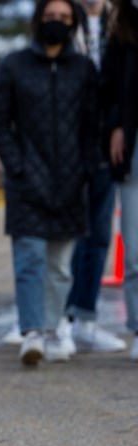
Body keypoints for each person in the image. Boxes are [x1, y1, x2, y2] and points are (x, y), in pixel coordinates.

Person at [0, 0, 99, 366]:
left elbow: (91, 124)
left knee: (60, 266)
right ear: (38, 20)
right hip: (26, 182)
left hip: (71, 181)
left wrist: (85, 168)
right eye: (49, 16)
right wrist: (17, 166)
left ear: (73, 23)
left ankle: (54, 330)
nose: (56, 23)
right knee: (30, 260)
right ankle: (32, 332)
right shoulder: (14, 65)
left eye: (64, 18)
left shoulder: (84, 69)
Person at [61, 0, 128, 353]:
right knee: (68, 235)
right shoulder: (65, 22)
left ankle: (85, 316)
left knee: (100, 233)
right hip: (71, 147)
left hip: (107, 145)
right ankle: (58, 318)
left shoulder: (120, 24)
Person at [103, 0, 138, 360]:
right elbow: (111, 86)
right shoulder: (123, 30)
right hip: (133, 143)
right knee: (135, 243)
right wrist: (115, 126)